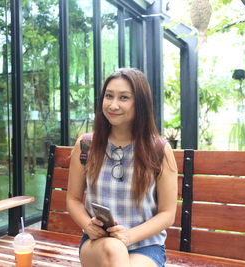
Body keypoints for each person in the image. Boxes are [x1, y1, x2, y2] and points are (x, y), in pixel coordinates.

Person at [66, 68, 178, 267]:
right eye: (109, 96)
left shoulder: (159, 150)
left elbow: (167, 214)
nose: (113, 105)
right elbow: (73, 200)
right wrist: (87, 226)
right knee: (113, 249)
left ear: (140, 103)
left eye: (124, 98)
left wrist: (128, 236)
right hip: (97, 244)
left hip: (146, 247)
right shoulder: (86, 146)